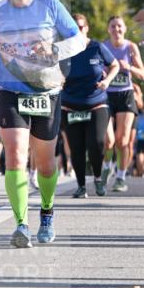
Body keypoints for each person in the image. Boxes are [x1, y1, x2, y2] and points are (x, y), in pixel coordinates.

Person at [0, 0, 83, 248]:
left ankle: (47, 212)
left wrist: (54, 48)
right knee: (14, 154)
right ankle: (21, 224)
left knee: (46, 164)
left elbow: (78, 40)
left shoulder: (50, 5)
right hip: (9, 90)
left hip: (46, 91)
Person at [60, 13, 119, 198]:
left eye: (80, 27)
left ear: (86, 28)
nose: (77, 30)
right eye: (73, 27)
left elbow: (115, 65)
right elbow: (53, 72)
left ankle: (98, 178)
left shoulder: (97, 47)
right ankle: (81, 186)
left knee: (97, 143)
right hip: (70, 104)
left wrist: (107, 81)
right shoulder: (63, 51)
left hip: (96, 102)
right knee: (76, 147)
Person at [101, 15, 144, 192]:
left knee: (123, 140)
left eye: (119, 26)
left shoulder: (131, 47)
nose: (116, 30)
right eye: (113, 26)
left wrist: (129, 67)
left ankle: (120, 177)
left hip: (125, 95)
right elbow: (96, 69)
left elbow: (142, 74)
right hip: (107, 96)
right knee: (109, 141)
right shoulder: (103, 47)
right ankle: (106, 166)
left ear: (124, 29)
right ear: (108, 29)